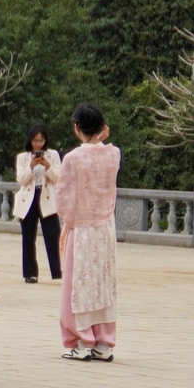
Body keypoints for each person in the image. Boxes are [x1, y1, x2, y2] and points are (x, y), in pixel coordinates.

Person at [59, 104, 121, 360]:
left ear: (76, 128)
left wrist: (67, 221)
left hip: (81, 226)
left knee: (79, 284)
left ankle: (84, 341)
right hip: (105, 226)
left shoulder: (73, 158)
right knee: (103, 284)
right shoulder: (114, 154)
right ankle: (104, 343)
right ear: (102, 127)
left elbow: (63, 198)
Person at [12, 126, 63, 284]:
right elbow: (21, 180)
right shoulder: (23, 157)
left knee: (53, 235)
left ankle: (58, 271)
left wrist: (48, 166)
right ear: (30, 140)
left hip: (46, 196)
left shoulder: (52, 155)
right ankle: (30, 273)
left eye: (41, 140)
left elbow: (58, 178)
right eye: (35, 141)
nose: (38, 144)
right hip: (28, 197)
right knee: (28, 237)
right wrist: (31, 167)